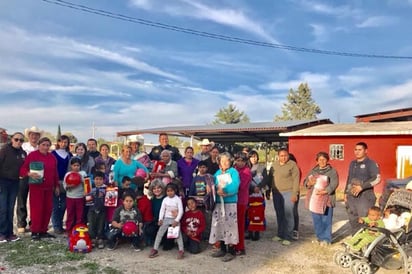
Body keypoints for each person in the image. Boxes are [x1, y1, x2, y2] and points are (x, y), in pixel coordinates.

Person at [19, 137, 60, 240]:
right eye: (43, 145)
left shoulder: (52, 158)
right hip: (36, 187)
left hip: (49, 187)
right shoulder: (32, 155)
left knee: (47, 209)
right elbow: (23, 169)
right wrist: (29, 173)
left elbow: (55, 173)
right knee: (37, 209)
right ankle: (35, 231)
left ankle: (43, 230)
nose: (45, 147)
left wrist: (57, 186)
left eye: (47, 145)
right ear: (39, 145)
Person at [210, 152, 240, 262]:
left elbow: (235, 185)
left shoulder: (233, 172)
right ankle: (222, 248)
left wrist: (225, 190)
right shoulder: (217, 173)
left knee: (230, 226)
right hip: (219, 203)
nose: (224, 163)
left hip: (229, 202)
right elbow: (212, 184)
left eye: (226, 161)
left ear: (230, 162)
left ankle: (231, 250)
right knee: (220, 225)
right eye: (222, 161)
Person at [344, 142, 381, 235]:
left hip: (365, 197)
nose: (357, 152)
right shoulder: (352, 163)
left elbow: (377, 179)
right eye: (355, 149)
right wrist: (345, 193)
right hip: (351, 197)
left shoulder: (371, 163)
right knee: (353, 219)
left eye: (360, 150)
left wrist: (362, 187)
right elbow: (349, 178)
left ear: (366, 151)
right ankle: (356, 241)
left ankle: (367, 244)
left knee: (365, 220)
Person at [303, 152, 339, 246]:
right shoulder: (313, 171)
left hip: (327, 199)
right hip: (314, 199)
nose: (322, 161)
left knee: (326, 220)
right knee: (317, 220)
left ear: (327, 160)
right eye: (320, 160)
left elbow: (334, 184)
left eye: (324, 159)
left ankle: (326, 239)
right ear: (317, 161)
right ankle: (320, 237)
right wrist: (309, 183)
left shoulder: (332, 171)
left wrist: (325, 191)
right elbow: (306, 182)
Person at [270, 149, 300, 246]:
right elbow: (270, 178)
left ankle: (288, 236)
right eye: (281, 156)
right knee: (279, 214)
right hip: (276, 193)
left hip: (289, 192)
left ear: (288, 155)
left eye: (285, 155)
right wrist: (267, 190)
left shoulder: (293, 165)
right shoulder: (274, 165)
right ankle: (280, 234)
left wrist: (294, 193)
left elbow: (296, 180)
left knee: (288, 214)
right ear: (278, 156)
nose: (283, 157)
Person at [0, 132, 26, 242]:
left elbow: (25, 168)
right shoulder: (4, 150)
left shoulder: (23, 153)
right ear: (12, 139)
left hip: (15, 183)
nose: (18, 142)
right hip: (3, 182)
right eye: (16, 139)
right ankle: (1, 233)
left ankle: (9, 233)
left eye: (21, 140)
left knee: (10, 208)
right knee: (2, 208)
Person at [149, 183, 185, 259]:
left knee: (177, 235)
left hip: (174, 219)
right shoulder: (165, 199)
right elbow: (162, 210)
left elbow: (181, 211)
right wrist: (160, 219)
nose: (170, 192)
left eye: (171, 191)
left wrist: (177, 220)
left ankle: (181, 250)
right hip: (166, 218)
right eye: (168, 191)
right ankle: (155, 249)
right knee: (159, 234)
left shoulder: (177, 199)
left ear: (175, 191)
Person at [17, 126, 42, 234]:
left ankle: (34, 223)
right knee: (22, 199)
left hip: (36, 177)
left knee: (35, 201)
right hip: (24, 176)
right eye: (32, 134)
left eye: (36, 135)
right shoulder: (22, 146)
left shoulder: (40, 148)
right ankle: (21, 223)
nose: (34, 137)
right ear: (29, 136)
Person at [51, 135, 72, 234]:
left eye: (66, 142)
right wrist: (55, 184)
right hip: (55, 181)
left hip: (66, 182)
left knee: (64, 205)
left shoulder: (69, 155)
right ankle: (56, 226)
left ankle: (60, 224)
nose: (63, 144)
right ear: (58, 142)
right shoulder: (53, 154)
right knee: (55, 205)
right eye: (62, 142)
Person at [189, 160, 214, 240]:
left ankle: (207, 236)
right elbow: (192, 189)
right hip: (197, 203)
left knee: (207, 219)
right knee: (198, 218)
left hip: (206, 203)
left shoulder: (209, 177)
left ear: (206, 168)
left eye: (204, 167)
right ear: (198, 168)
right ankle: (199, 235)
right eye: (200, 167)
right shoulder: (195, 178)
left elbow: (212, 190)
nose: (202, 169)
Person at [233, 152, 252, 256]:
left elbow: (241, 186)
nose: (239, 163)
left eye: (242, 161)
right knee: (233, 223)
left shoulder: (246, 172)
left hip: (241, 200)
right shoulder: (233, 169)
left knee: (240, 224)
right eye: (238, 160)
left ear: (245, 162)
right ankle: (233, 244)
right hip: (232, 199)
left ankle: (240, 247)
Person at [64, 157, 85, 234]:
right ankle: (69, 230)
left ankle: (79, 230)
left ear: (80, 166)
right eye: (74, 165)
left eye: (78, 165)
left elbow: (87, 184)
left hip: (80, 197)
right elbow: (65, 186)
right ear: (71, 166)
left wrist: (81, 180)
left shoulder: (83, 174)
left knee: (80, 215)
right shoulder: (68, 174)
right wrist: (71, 185)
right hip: (70, 197)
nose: (76, 167)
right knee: (70, 214)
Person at [87, 171, 107, 249]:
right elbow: (87, 198)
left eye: (100, 179)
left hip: (102, 209)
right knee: (91, 224)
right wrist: (85, 195)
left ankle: (100, 239)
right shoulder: (90, 187)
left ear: (103, 180)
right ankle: (92, 239)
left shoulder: (106, 188)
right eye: (96, 179)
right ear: (93, 179)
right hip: (92, 209)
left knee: (101, 224)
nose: (98, 181)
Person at [135, 177, 154, 248]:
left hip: (146, 220)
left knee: (144, 232)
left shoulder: (142, 201)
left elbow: (141, 212)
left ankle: (145, 242)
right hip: (149, 218)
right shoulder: (146, 199)